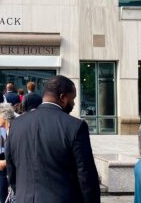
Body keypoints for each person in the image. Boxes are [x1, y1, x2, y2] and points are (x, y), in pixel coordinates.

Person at [6, 75, 100, 203]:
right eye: (72, 99)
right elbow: (86, 176)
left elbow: (11, 169)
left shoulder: (17, 124)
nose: (73, 103)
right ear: (62, 97)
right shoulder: (75, 126)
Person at [0, 103, 16, 203]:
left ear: (4, 116)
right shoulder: (10, 130)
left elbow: (21, 155)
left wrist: (5, 162)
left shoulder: (14, 131)